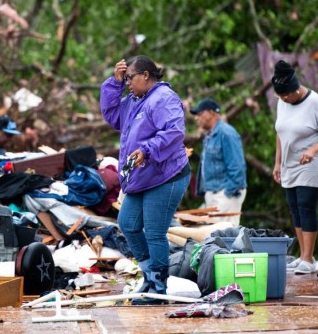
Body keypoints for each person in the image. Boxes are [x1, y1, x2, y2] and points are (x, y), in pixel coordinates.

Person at [100, 55, 191, 304]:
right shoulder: (132, 101)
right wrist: (114, 83)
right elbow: (112, 116)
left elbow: (174, 132)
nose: (128, 82)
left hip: (166, 176)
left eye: (130, 78)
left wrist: (147, 150)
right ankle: (150, 276)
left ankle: (158, 289)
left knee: (154, 231)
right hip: (141, 176)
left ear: (146, 76)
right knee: (127, 223)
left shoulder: (163, 99)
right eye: (125, 78)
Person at [271, 60, 318, 274]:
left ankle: (309, 258)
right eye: (280, 96)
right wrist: (277, 162)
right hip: (290, 162)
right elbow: (280, 132)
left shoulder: (316, 103)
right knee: (293, 207)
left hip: (312, 163)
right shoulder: (283, 102)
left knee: (305, 205)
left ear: (295, 89)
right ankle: (303, 255)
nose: (283, 99)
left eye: (286, 95)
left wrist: (314, 150)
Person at [190, 97, 247, 227]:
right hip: (213, 193)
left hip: (225, 194)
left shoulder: (226, 133)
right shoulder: (209, 135)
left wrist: (226, 194)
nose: (197, 118)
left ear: (211, 113)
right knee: (212, 239)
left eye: (200, 114)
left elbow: (237, 168)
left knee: (222, 237)